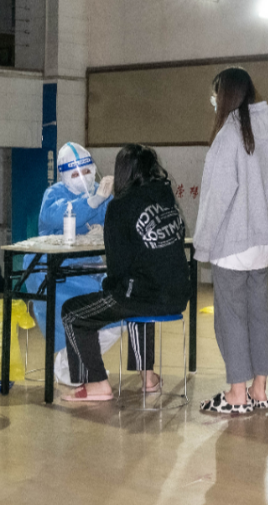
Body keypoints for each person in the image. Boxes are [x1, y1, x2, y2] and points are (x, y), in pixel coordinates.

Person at [60, 145, 190, 401]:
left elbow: (117, 266)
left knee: (72, 313)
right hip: (178, 294)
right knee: (137, 299)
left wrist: (110, 289)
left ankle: (96, 384)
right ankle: (148, 379)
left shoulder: (120, 206)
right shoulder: (166, 198)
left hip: (145, 296)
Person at [195, 67, 268, 414]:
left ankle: (236, 393)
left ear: (225, 95)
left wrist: (203, 243)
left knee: (230, 318)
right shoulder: (266, 133)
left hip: (232, 245)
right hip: (262, 243)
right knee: (259, 316)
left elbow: (216, 198)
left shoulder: (227, 136)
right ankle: (259, 389)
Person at [23, 141, 120, 387]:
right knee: (70, 321)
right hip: (54, 272)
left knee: (115, 320)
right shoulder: (54, 194)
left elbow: (114, 220)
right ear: (64, 176)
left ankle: (78, 362)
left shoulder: (101, 191)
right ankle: (70, 366)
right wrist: (92, 202)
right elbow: (54, 216)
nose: (83, 177)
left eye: (86, 170)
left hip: (90, 268)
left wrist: (105, 229)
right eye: (75, 174)